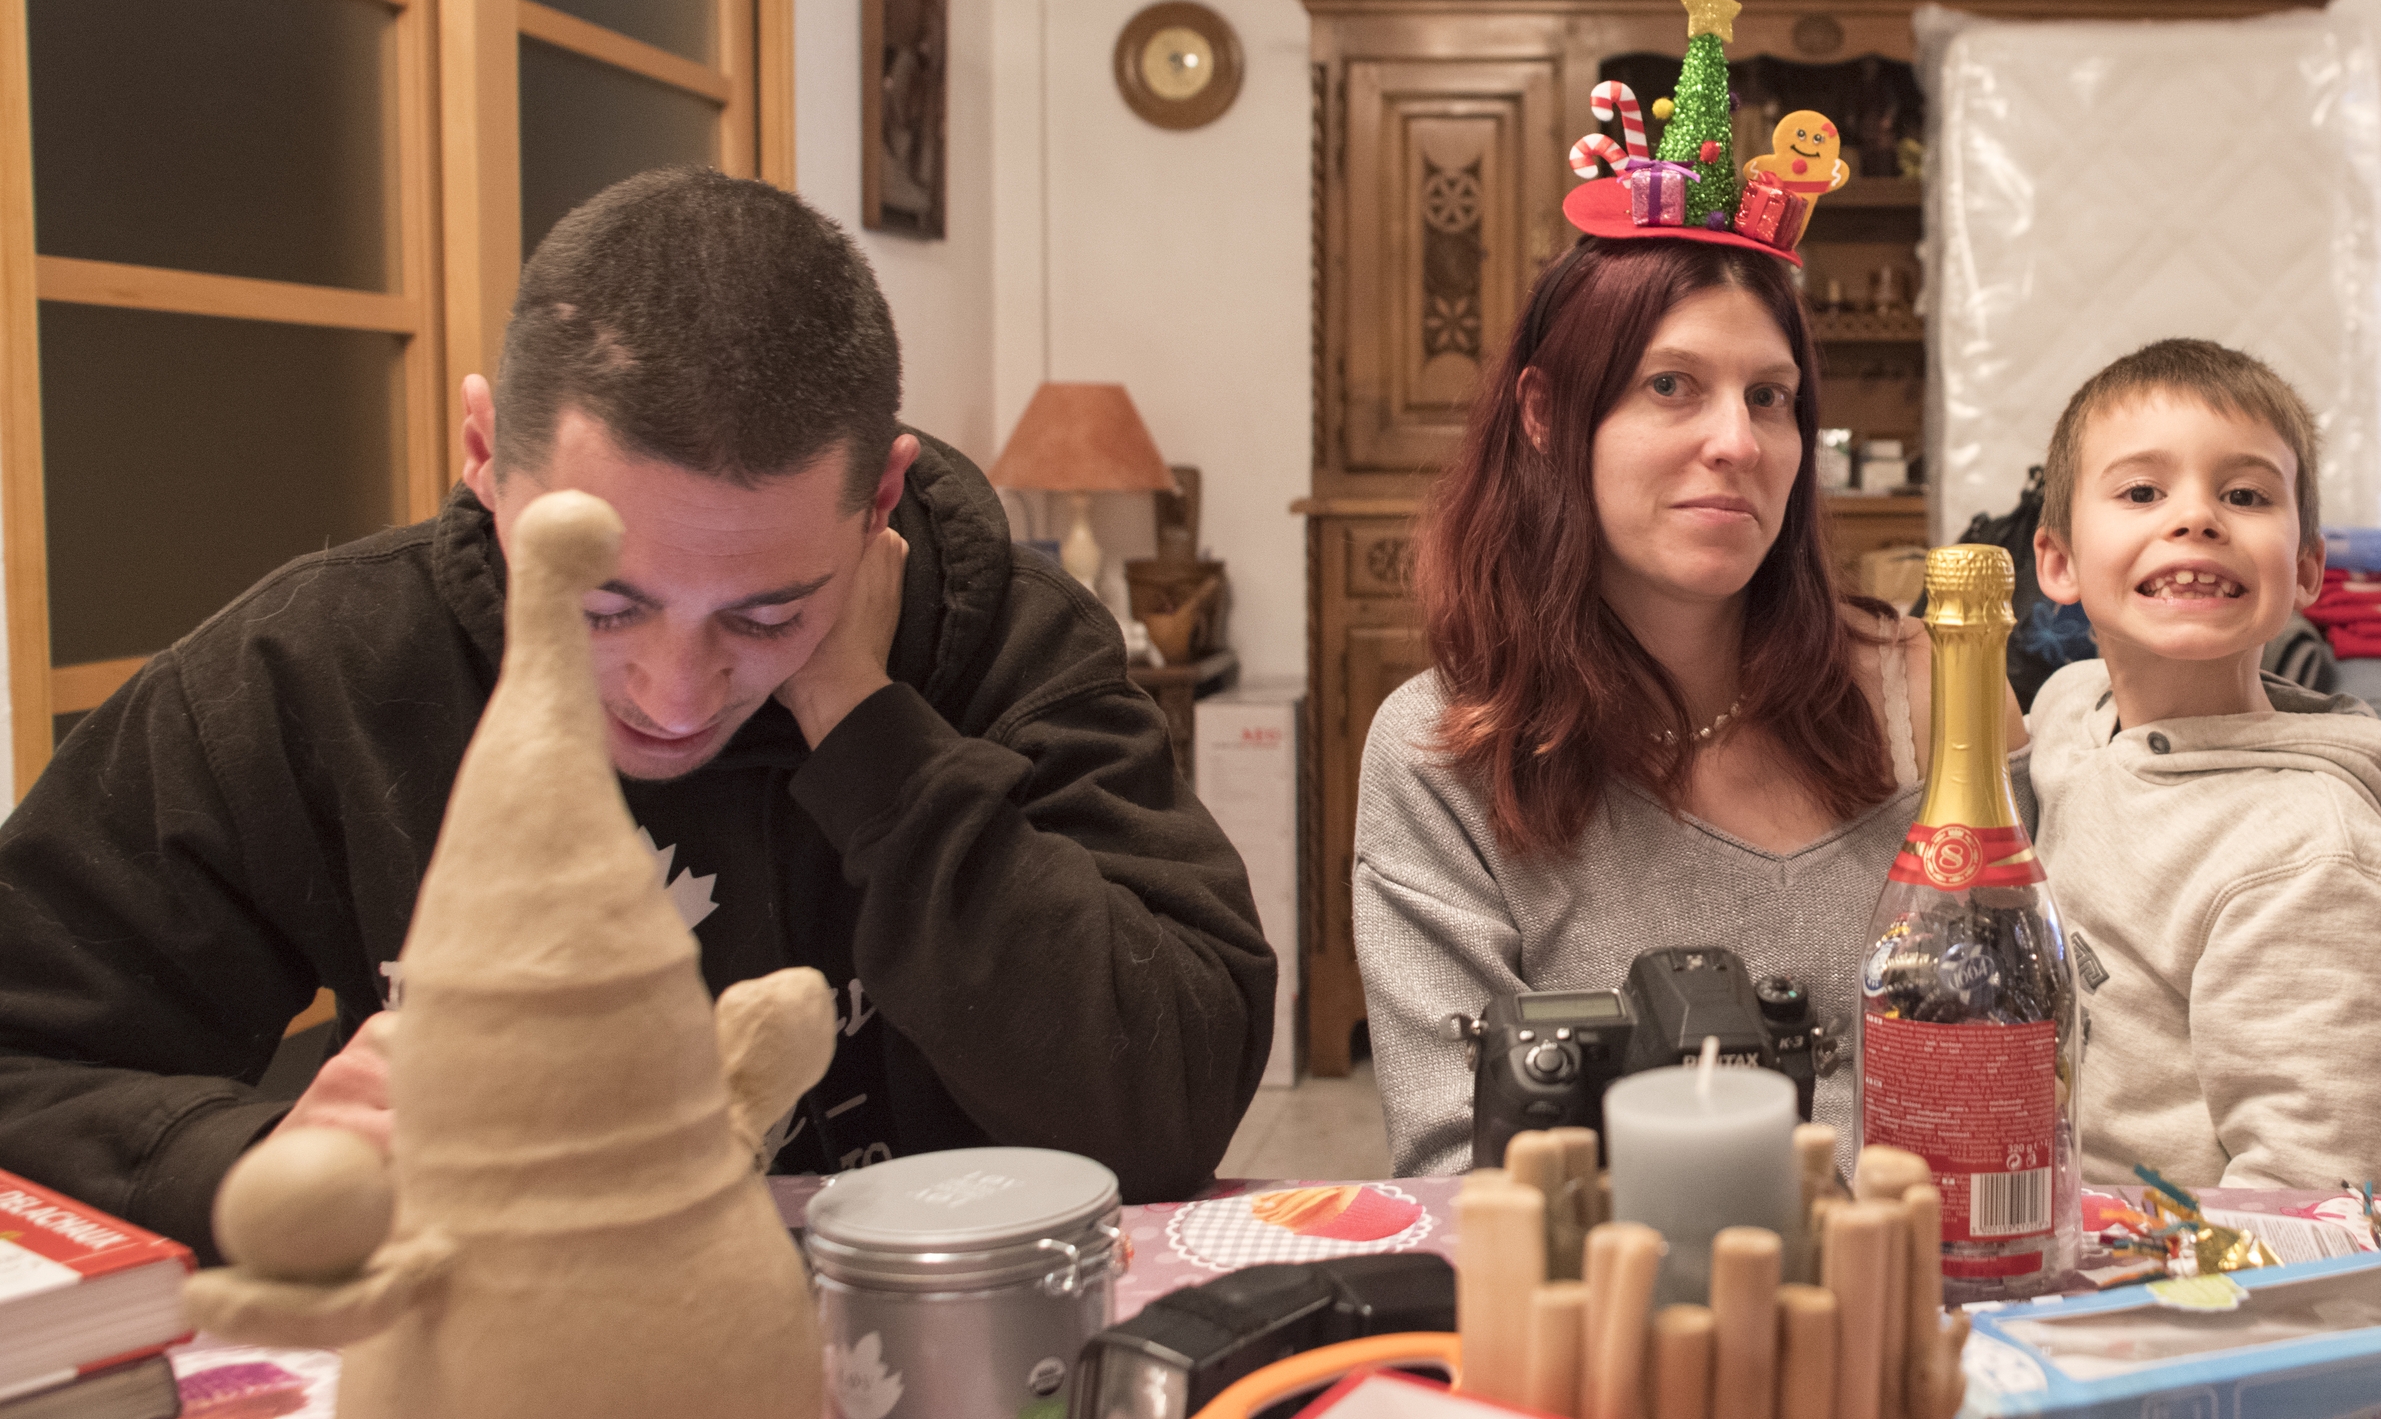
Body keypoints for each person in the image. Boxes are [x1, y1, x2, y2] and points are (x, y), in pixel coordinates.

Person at [0, 168, 1274, 1252]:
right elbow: (29, 1055)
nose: (673, 694)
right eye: (602, 603)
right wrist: (258, 1159)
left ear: (881, 500)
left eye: (764, 614)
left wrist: (863, 720)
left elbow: (1166, 1106)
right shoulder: (322, 666)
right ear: (485, 456)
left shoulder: (998, 638)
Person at [1358, 237, 1982, 1176]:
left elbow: (2040, 1057)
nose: (1738, 442)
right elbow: (1462, 1172)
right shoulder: (1442, 752)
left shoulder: (1934, 694)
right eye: (1670, 385)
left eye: (1769, 397)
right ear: (1545, 414)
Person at [2026, 338, 2381, 1190]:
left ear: (2306, 569)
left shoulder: (2311, 860)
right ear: (2060, 562)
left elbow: (2311, 1191)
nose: (2196, 518)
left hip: (2183, 1262)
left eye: (2245, 495)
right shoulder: (2069, 710)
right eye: (2142, 492)